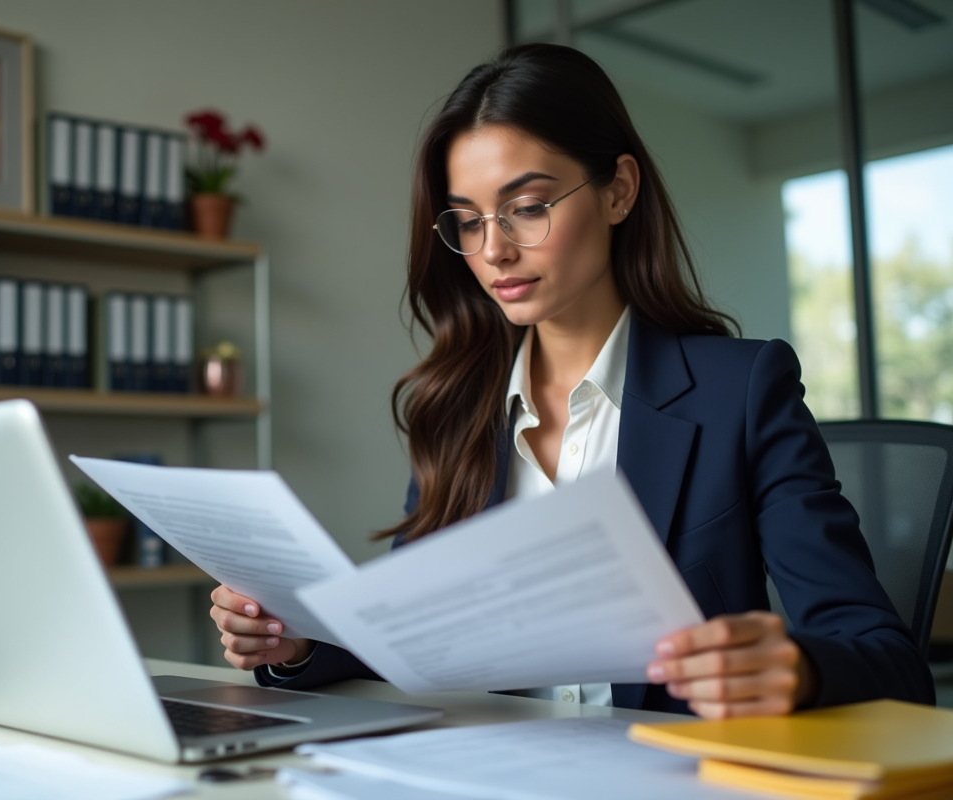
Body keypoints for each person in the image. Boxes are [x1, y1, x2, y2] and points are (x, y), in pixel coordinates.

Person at [209, 44, 935, 718]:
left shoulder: (740, 392)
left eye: (527, 208)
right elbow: (417, 637)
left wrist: (797, 668)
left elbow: (889, 662)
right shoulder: (459, 410)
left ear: (618, 192)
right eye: (466, 220)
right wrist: (296, 644)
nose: (493, 249)